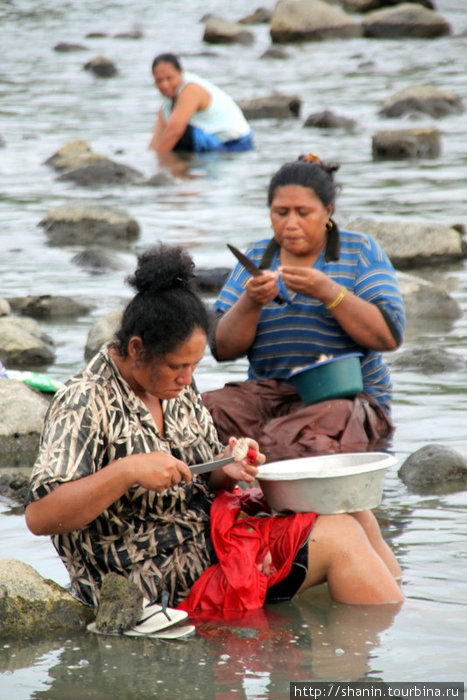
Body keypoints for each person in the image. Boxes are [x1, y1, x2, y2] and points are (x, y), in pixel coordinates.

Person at [25, 244, 403, 612]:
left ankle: (402, 618)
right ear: (137, 349)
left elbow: (204, 480)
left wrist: (226, 467)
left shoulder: (176, 386)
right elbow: (40, 517)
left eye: (194, 366)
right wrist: (127, 471)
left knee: (353, 512)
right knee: (340, 539)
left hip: (206, 537)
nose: (187, 379)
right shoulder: (84, 402)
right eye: (178, 367)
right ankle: (386, 648)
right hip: (147, 576)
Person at [202, 154, 406, 462]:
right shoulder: (258, 256)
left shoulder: (359, 250)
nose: (291, 223)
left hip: (346, 399)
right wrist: (251, 302)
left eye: (303, 212)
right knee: (202, 414)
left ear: (327, 211)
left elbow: (389, 336)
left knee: (306, 440)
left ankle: (268, 464)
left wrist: (328, 292)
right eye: (281, 212)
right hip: (270, 395)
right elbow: (222, 349)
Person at [148, 53, 254, 154]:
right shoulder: (167, 103)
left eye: (169, 78)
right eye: (159, 81)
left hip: (236, 145)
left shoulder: (190, 89)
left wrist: (159, 162)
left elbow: (174, 131)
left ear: (181, 72)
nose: (165, 85)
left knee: (182, 135)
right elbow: (157, 139)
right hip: (214, 143)